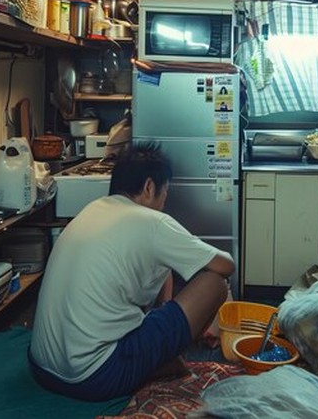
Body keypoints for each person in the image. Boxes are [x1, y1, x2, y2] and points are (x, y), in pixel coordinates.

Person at [28, 143, 235, 402]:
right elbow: (226, 265)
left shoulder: (92, 209)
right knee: (215, 283)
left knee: (165, 264)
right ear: (149, 187)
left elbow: (159, 269)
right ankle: (159, 363)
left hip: (42, 369)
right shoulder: (152, 222)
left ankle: (158, 358)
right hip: (93, 378)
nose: (164, 202)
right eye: (165, 192)